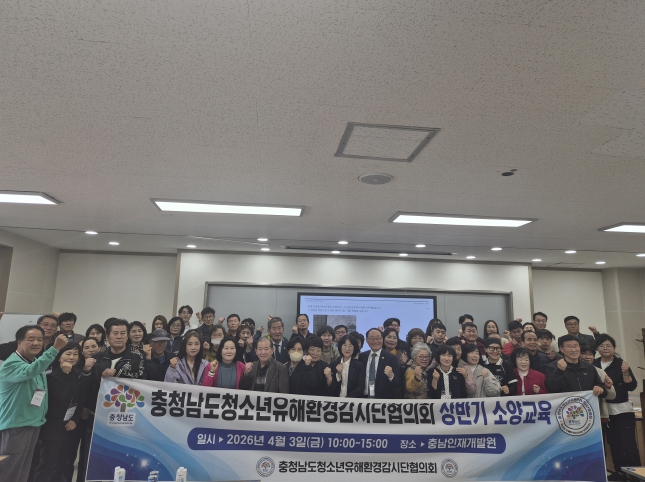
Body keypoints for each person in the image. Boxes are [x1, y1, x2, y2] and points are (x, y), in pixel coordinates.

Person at [0, 327, 67, 482]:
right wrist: (54, 349)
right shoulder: (11, 364)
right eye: (31, 339)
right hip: (15, 426)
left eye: (39, 339)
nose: (36, 343)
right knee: (9, 470)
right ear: (19, 342)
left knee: (23, 469)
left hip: (33, 423)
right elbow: (30, 371)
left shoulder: (36, 361)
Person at [30, 343, 93, 482]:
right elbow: (60, 398)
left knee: (64, 463)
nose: (72, 357)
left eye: (75, 354)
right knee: (47, 464)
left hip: (70, 426)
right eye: (68, 353)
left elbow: (79, 400)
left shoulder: (76, 374)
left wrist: (75, 419)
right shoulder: (50, 376)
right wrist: (64, 374)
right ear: (59, 357)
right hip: (52, 427)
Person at [594, 334, 639, 481]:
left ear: (614, 348)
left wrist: (626, 373)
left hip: (622, 410)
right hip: (603, 410)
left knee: (629, 444)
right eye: (602, 346)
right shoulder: (594, 364)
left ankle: (635, 474)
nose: (605, 348)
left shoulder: (621, 363)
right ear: (597, 348)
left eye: (609, 345)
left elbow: (632, 386)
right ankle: (619, 472)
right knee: (613, 444)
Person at [358, 328, 401, 399]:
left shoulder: (391, 358)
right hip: (363, 398)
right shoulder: (362, 357)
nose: (375, 341)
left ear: (382, 339)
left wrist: (391, 376)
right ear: (367, 340)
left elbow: (397, 383)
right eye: (372, 338)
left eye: (378, 338)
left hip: (382, 400)